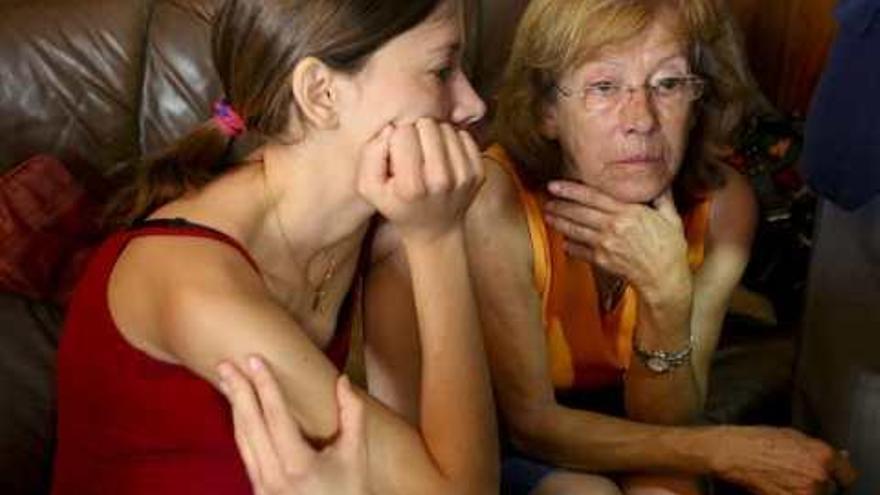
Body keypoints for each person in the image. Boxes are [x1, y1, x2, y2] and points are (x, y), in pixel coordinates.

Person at [363, 0, 853, 494]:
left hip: (638, 426)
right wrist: (727, 449)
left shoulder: (726, 208)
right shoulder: (497, 200)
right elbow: (531, 425)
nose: (640, 119)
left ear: (700, 99)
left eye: (669, 84)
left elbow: (673, 421)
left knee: (669, 490)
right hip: (507, 443)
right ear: (547, 110)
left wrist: (666, 295)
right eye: (603, 87)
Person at [51, 0, 499, 493]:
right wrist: (440, 239)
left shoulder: (382, 223)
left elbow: (428, 457)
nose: (473, 104)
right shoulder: (195, 285)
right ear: (320, 92)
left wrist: (424, 238)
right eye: (441, 70)